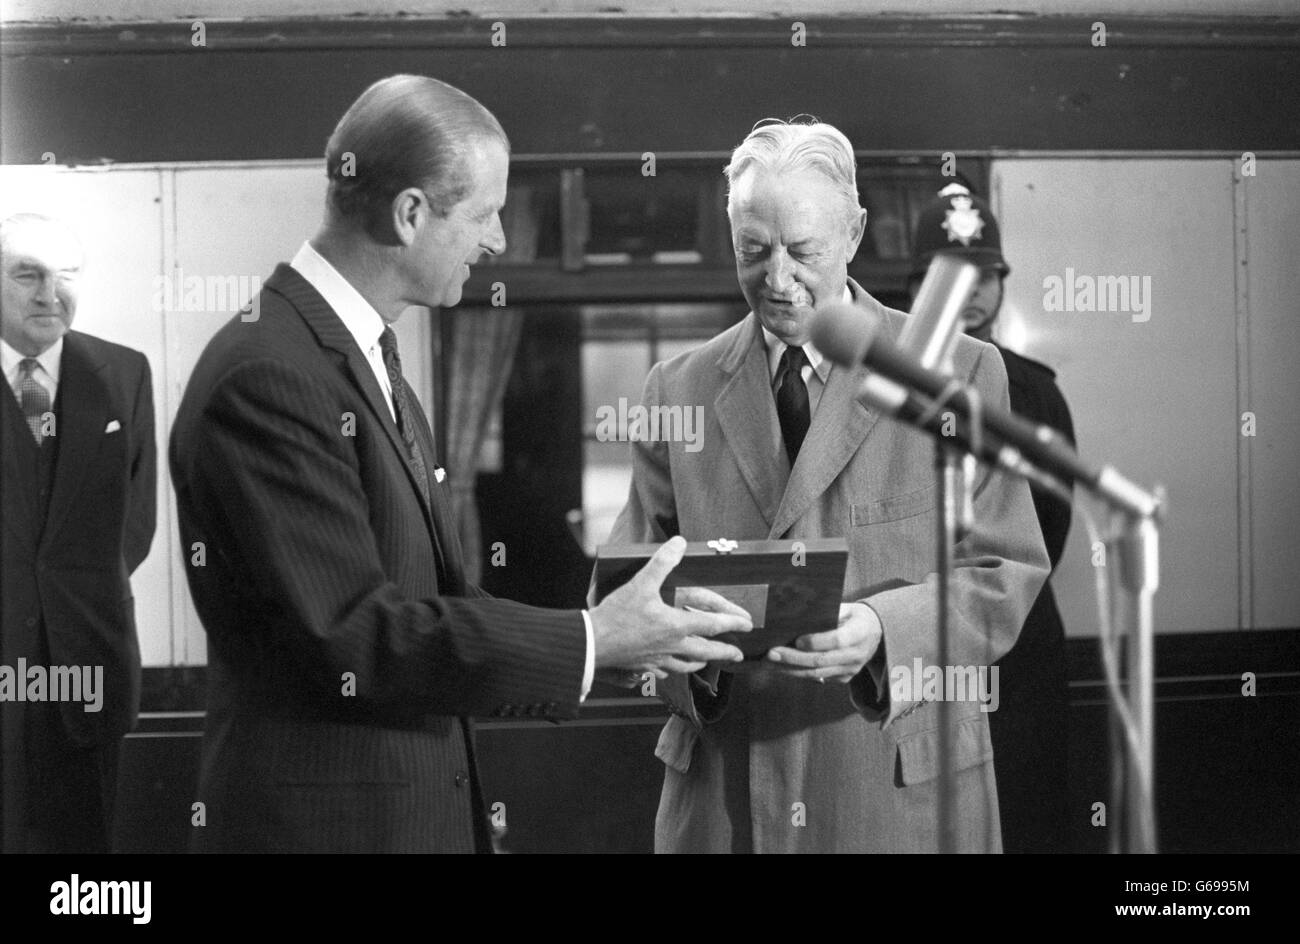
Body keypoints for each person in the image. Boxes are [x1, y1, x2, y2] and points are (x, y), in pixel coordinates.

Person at [169, 74, 750, 854]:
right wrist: (591, 641)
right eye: (484, 214)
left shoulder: (361, 359)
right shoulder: (269, 376)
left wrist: (615, 638)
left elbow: (430, 603)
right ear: (410, 214)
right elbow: (355, 635)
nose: (500, 241)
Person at [605, 118, 1049, 853]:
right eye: (753, 250)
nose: (777, 279)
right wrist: (681, 654)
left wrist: (883, 630)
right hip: (725, 801)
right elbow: (629, 597)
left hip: (894, 798)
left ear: (854, 233)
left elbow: (1007, 575)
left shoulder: (959, 373)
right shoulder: (674, 389)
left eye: (803, 251)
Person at [909, 182, 1076, 853]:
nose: (973, 292)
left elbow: (1049, 531)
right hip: (914, 637)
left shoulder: (1033, 390)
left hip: (1018, 646)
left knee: (1025, 815)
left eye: (988, 276)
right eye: (954, 276)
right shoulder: (889, 382)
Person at [0, 213, 156, 853]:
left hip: (88, 666)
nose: (49, 293)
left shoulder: (124, 374)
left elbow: (135, 522)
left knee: (84, 869)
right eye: (27, 275)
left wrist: (70, 597)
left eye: (66, 276)